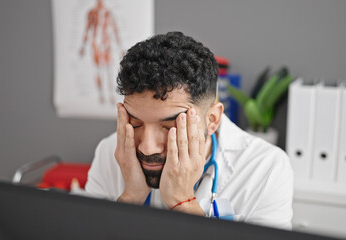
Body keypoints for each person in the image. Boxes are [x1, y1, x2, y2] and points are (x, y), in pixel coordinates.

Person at [85, 32, 293, 229]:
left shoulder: (266, 168)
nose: (147, 148)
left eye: (169, 127)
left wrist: (183, 203)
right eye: (135, 123)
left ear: (212, 120)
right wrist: (130, 199)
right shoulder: (109, 152)